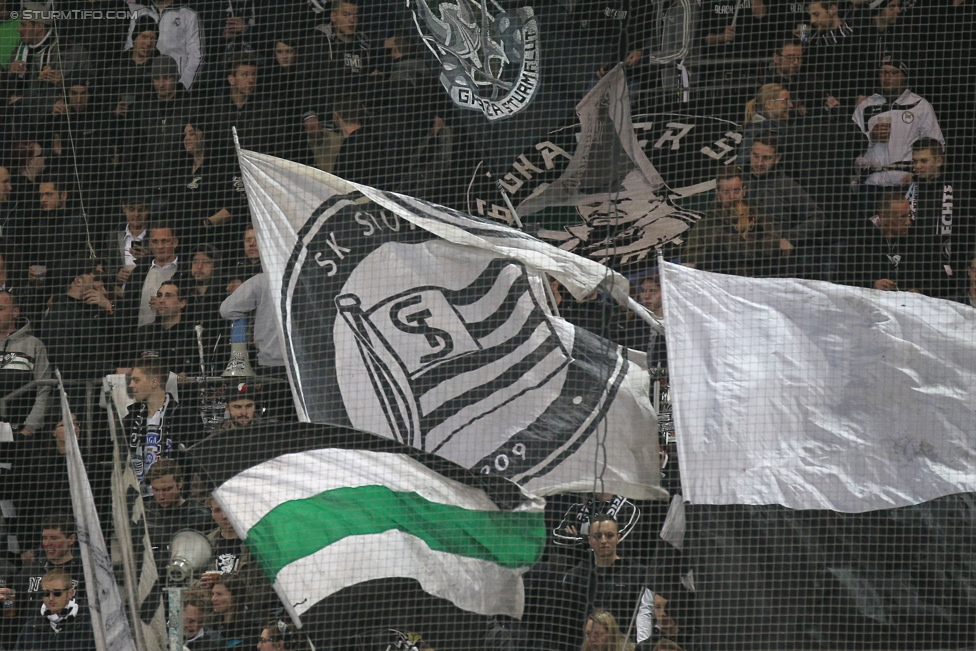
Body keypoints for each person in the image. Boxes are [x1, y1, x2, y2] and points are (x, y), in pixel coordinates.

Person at [852, 58, 943, 192]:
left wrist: (916, 175)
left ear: (904, 76)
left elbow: (936, 145)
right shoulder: (865, 106)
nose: (888, 77)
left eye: (894, 73)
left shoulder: (920, 105)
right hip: (872, 183)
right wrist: (871, 136)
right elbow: (850, 144)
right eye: (883, 73)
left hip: (906, 181)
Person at [563, 516, 652, 645]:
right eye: (597, 536)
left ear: (618, 538)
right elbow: (569, 621)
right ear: (589, 540)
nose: (603, 541)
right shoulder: (576, 575)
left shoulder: (638, 574)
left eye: (609, 535)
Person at [746, 136, 827, 278]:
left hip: (772, 259)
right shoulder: (738, 179)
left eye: (766, 158)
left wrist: (790, 237)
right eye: (755, 156)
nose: (759, 163)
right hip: (737, 253)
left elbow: (818, 218)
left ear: (777, 158)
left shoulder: (787, 186)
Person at [123, 357, 197, 493]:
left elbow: (194, 463)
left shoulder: (184, 417)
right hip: (138, 501)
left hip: (176, 499)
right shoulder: (130, 419)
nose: (131, 385)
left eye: (136, 380)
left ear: (154, 382)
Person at [904, 138, 956, 298]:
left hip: (947, 274)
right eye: (915, 161)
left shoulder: (956, 187)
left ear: (939, 160)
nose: (917, 166)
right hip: (914, 271)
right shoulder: (909, 188)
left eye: (924, 161)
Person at [145, 459, 212, 571]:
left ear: (180, 483)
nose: (161, 496)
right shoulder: (145, 515)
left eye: (167, 489)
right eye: (156, 490)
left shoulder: (200, 516)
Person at [123, 0, 203, 90]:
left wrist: (183, 86)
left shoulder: (189, 15)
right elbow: (130, 47)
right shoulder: (140, 13)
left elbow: (196, 56)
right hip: (145, 85)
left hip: (175, 86)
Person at [12, 568, 94, 651]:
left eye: (57, 593)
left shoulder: (89, 625)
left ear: (70, 593)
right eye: (46, 593)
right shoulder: (30, 629)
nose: (51, 598)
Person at [134, 281, 198, 375]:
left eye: (168, 296)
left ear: (182, 303)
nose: (161, 300)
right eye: (159, 295)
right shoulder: (144, 333)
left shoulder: (192, 335)